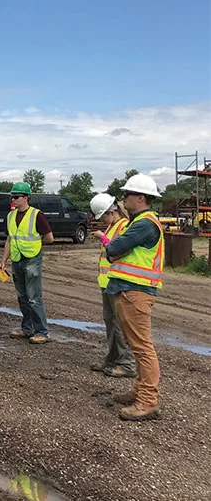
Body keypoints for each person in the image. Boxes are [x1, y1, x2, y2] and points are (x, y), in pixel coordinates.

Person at [105, 174, 165, 421]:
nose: (123, 198)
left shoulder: (144, 224)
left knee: (142, 347)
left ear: (140, 197)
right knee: (136, 345)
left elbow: (114, 248)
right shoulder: (137, 221)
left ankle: (147, 401)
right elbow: (117, 247)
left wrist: (114, 248)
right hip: (129, 289)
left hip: (136, 292)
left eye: (127, 194)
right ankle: (140, 391)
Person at [0, 182, 54, 344]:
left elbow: (49, 237)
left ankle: (42, 331)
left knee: (34, 298)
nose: (13, 200)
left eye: (16, 197)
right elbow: (10, 239)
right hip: (17, 259)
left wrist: (34, 246)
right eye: (12, 197)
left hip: (32, 259)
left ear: (26, 198)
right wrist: (3, 261)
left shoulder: (37, 215)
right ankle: (27, 328)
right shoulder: (10, 216)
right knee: (22, 297)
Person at [88, 193, 135, 378]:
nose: (102, 221)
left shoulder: (124, 226)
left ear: (111, 212)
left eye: (103, 216)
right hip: (107, 282)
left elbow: (120, 249)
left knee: (119, 324)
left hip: (117, 282)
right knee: (110, 322)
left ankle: (127, 364)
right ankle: (112, 359)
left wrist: (103, 239)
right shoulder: (111, 226)